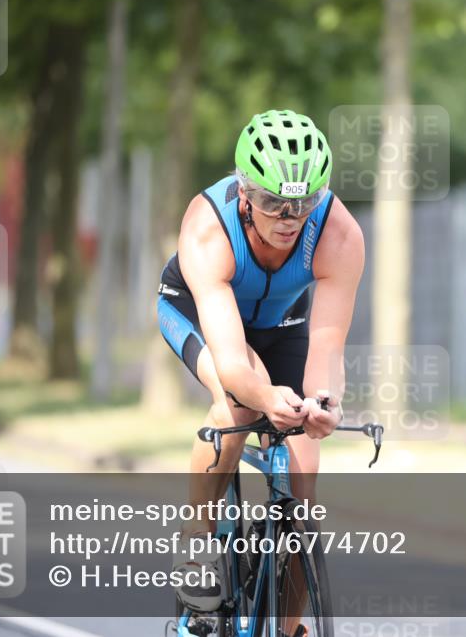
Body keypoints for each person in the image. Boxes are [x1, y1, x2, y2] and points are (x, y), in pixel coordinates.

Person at [156, 109, 365, 633]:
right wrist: (267, 396)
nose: (289, 216)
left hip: (283, 323)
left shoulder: (339, 233)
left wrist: (322, 404)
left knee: (303, 492)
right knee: (239, 402)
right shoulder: (209, 225)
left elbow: (327, 341)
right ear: (245, 193)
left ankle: (289, 624)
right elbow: (231, 361)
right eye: (273, 202)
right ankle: (198, 538)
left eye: (303, 201)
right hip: (199, 313)